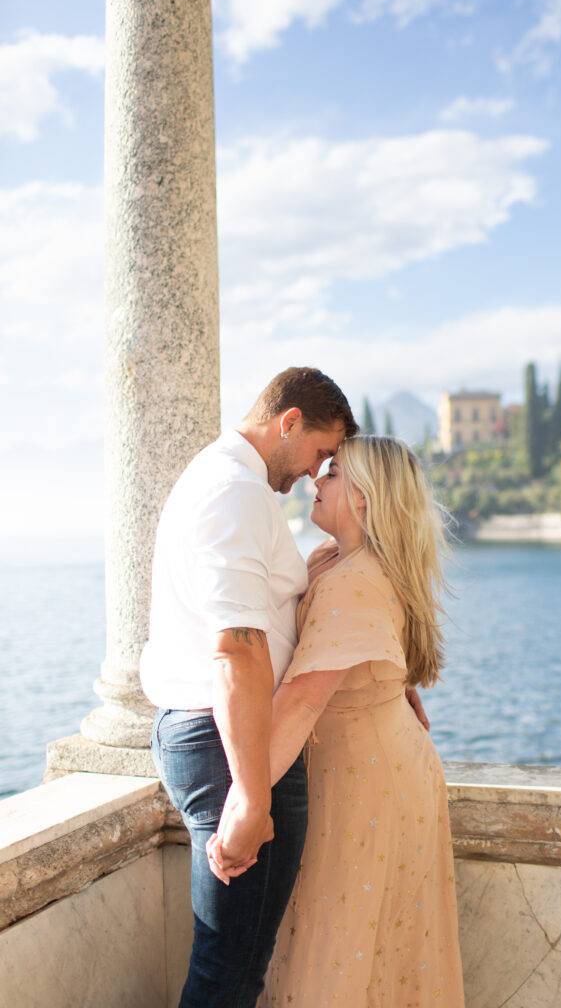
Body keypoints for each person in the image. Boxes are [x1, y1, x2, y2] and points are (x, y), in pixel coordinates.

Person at [210, 435, 466, 1006]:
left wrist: (239, 808)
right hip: (376, 768)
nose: (315, 482)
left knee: (341, 949)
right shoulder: (340, 560)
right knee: (370, 950)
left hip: (365, 783)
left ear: (366, 499)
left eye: (332, 474)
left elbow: (302, 699)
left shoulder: (353, 578)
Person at [142, 367, 358, 1008]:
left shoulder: (231, 484)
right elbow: (237, 647)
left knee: (233, 968)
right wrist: (251, 795)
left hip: (222, 738)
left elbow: (254, 619)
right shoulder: (235, 490)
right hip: (228, 742)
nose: (314, 474)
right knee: (229, 972)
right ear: (288, 421)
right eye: (320, 453)